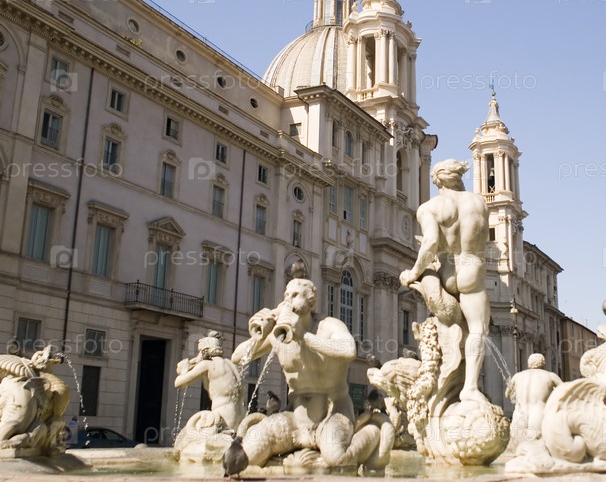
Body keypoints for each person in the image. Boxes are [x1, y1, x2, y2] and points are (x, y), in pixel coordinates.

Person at [231, 278, 392, 468]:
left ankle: (373, 431)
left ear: (311, 301)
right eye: (286, 295)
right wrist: (259, 335)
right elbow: (238, 357)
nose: (288, 300)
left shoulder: (328, 326)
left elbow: (349, 350)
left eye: (295, 295)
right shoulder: (279, 333)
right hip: (295, 419)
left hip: (333, 414)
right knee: (250, 456)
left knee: (337, 458)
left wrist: (303, 335)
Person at [399, 159, 490, 403]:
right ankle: (470, 387)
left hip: (447, 272)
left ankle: (443, 381)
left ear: (437, 181)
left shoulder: (430, 207)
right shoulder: (479, 203)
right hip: (472, 269)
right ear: (458, 177)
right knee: (477, 330)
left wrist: (413, 273)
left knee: (447, 324)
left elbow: (430, 243)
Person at [174, 331, 245, 431]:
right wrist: (194, 362)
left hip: (223, 413)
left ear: (204, 351)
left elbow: (178, 383)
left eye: (200, 351)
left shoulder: (207, 365)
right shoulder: (230, 364)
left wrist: (184, 370)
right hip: (240, 414)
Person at [505, 353, 562, 452]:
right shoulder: (550, 376)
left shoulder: (517, 376)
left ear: (529, 363)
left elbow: (507, 394)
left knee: (517, 451)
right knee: (538, 451)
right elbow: (566, 391)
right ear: (543, 363)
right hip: (538, 414)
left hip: (519, 415)